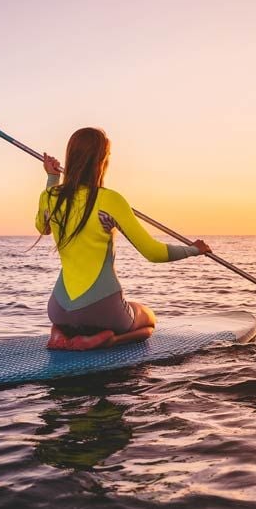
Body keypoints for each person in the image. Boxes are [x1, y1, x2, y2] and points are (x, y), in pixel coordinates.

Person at [37, 127, 211, 350]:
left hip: (58, 310)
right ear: (101, 161)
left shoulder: (50, 197)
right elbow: (153, 253)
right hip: (102, 311)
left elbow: (43, 228)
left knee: (75, 318)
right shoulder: (110, 200)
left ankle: (59, 332)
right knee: (148, 320)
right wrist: (193, 249)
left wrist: (52, 179)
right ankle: (107, 339)